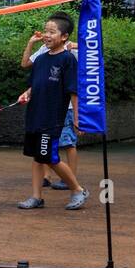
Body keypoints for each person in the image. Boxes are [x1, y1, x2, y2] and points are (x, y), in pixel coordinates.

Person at [16, 12, 88, 211]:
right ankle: (36, 197)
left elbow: (73, 91)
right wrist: (27, 94)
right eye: (46, 31)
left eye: (52, 32)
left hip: (52, 118)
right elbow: (36, 85)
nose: (47, 35)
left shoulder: (67, 60)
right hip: (35, 116)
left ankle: (77, 189)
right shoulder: (40, 60)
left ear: (64, 37)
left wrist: (77, 118)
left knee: (49, 157)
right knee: (37, 157)